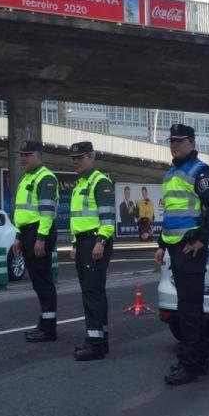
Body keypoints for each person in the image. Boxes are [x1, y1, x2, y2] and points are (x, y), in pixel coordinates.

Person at [154, 124, 209, 385]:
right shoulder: (171, 173)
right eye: (172, 141)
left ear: (191, 143)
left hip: (190, 248)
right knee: (189, 308)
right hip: (175, 247)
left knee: (189, 310)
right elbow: (170, 214)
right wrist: (160, 245)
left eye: (180, 141)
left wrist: (202, 241)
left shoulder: (200, 171)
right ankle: (199, 362)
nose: (174, 145)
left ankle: (189, 365)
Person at [67, 142, 116, 361]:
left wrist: (101, 241)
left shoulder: (100, 182)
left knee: (91, 293)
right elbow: (79, 220)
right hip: (84, 243)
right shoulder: (80, 184)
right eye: (73, 158)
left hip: (95, 242)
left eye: (80, 157)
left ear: (92, 157)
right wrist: (75, 243)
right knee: (94, 291)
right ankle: (101, 339)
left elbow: (107, 218)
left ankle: (94, 343)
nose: (76, 161)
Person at [11, 141, 60, 343]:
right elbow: (21, 212)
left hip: (40, 233)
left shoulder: (45, 177)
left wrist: (40, 239)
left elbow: (47, 213)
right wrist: (17, 236)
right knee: (37, 282)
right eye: (22, 154)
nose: (23, 158)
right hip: (27, 233)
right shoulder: (26, 178)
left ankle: (49, 328)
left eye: (27, 154)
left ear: (38, 155)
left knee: (43, 281)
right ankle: (44, 322)